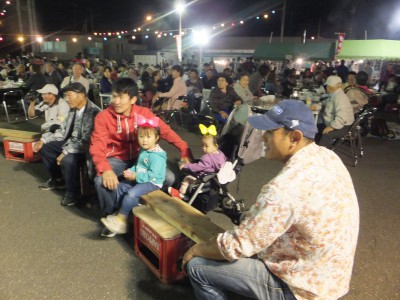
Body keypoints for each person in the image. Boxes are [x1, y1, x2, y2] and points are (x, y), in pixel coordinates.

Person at [184, 100, 359, 300]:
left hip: (301, 288)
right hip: (331, 278)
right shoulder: (328, 157)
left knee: (197, 266)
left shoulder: (285, 187)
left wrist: (197, 249)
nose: (263, 137)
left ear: (295, 137)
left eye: (270, 132)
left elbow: (237, 245)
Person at [89, 78, 192, 236]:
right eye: (114, 96)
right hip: (116, 158)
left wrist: (184, 149)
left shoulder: (143, 114)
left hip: (141, 157)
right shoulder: (103, 117)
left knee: (169, 178)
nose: (115, 101)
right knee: (100, 181)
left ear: (133, 99)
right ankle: (114, 215)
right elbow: (97, 146)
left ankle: (134, 203)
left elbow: (165, 131)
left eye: (121, 97)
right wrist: (105, 170)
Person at [33, 82, 100, 206]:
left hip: (86, 148)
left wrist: (65, 152)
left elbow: (87, 141)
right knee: (46, 148)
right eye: (66, 96)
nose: (66, 99)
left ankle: (73, 192)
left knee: (68, 160)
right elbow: (62, 130)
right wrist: (44, 140)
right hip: (71, 142)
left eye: (69, 95)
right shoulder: (73, 110)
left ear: (81, 95)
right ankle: (58, 179)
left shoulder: (94, 112)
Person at [101, 117, 167, 235]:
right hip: (140, 177)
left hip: (152, 182)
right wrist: (130, 171)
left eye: (148, 137)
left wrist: (136, 176)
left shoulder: (157, 156)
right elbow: (138, 165)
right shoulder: (143, 149)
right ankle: (119, 211)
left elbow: (152, 175)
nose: (144, 140)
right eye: (141, 136)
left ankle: (122, 219)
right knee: (120, 187)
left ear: (156, 138)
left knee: (131, 193)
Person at [168, 129, 226, 200]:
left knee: (187, 178)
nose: (203, 148)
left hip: (201, 179)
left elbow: (197, 167)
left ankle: (181, 194)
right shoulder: (220, 155)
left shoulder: (207, 157)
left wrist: (186, 165)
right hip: (211, 178)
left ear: (216, 146)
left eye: (206, 146)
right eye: (202, 145)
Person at [316, 75, 354, 148]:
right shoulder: (334, 94)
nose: (327, 87)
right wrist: (318, 106)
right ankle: (315, 146)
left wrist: (332, 127)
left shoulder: (340, 98)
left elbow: (342, 117)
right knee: (317, 128)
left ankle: (322, 153)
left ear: (335, 86)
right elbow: (326, 102)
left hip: (343, 126)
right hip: (335, 122)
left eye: (328, 86)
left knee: (327, 134)